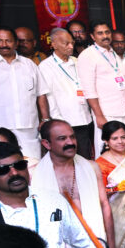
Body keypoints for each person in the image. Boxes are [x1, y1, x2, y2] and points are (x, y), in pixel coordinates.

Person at [33, 120, 116, 248]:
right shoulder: (34, 174)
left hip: (96, 247)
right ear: (46, 143)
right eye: (62, 138)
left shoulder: (91, 167)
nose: (70, 142)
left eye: (72, 137)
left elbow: (105, 206)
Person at [0, 26, 50, 160]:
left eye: (8, 41)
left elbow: (41, 94)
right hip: (0, 128)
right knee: (5, 167)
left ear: (16, 43)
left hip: (29, 128)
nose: (4, 45)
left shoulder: (29, 65)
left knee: (32, 165)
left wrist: (45, 119)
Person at [40, 28, 94, 159]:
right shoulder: (45, 66)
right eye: (66, 43)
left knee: (86, 158)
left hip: (85, 119)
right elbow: (48, 97)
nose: (71, 46)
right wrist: (59, 121)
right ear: (53, 44)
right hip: (65, 122)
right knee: (69, 159)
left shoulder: (77, 61)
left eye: (72, 43)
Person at [77, 21, 125, 155]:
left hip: (122, 110)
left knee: (123, 148)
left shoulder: (113, 53)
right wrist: (99, 115)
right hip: (105, 112)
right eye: (100, 33)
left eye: (107, 32)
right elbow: (88, 89)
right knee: (106, 150)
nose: (105, 36)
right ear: (93, 36)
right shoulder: (88, 55)